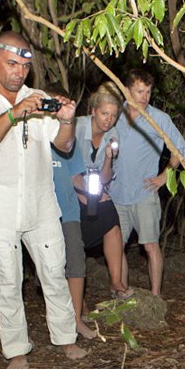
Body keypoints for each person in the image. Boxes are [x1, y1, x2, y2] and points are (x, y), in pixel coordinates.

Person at [0, 32, 86, 369]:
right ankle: (16, 349)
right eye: (12, 64)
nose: (19, 72)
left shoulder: (37, 97)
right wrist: (13, 115)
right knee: (7, 280)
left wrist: (67, 119)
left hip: (40, 203)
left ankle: (66, 337)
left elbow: (63, 145)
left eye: (25, 66)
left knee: (54, 272)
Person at [111, 69, 185, 296]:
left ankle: (155, 296)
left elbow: (180, 150)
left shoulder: (159, 118)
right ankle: (121, 293)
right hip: (116, 193)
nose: (144, 97)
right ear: (127, 91)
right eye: (139, 91)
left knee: (150, 245)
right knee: (117, 248)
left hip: (144, 193)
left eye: (148, 92)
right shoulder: (115, 115)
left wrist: (165, 177)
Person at [43, 83, 98, 341]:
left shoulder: (69, 139)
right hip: (42, 213)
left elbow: (76, 176)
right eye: (53, 103)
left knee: (76, 263)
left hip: (68, 211)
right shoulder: (37, 133)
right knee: (50, 270)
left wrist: (94, 193)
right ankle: (55, 320)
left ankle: (75, 319)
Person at [75, 83, 132, 300]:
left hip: (95, 192)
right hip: (71, 191)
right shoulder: (77, 127)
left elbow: (106, 177)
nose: (108, 119)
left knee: (112, 220)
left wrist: (109, 157)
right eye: (104, 114)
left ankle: (116, 282)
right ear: (93, 111)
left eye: (113, 115)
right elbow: (65, 168)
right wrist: (85, 191)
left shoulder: (113, 134)